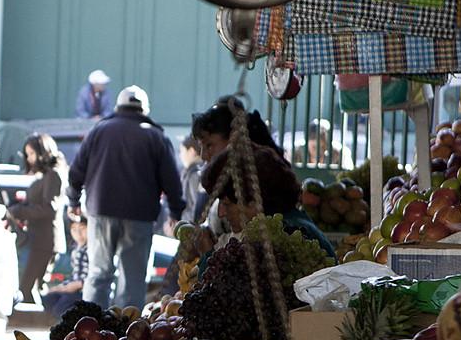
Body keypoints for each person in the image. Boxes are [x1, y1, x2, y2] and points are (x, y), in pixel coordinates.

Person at [67, 86, 185, 309]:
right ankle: (126, 334)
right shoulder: (155, 136)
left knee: (98, 273)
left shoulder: (99, 131)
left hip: (100, 212)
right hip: (138, 216)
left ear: (117, 107)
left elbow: (76, 171)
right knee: (133, 279)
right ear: (144, 109)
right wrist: (175, 212)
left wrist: (73, 201)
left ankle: (90, 327)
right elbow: (171, 180)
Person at [202, 142, 339, 259]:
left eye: (227, 204)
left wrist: (208, 254)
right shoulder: (289, 223)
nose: (221, 213)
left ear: (255, 201)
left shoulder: (286, 236)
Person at [8, 133, 65, 305]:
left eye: (32, 154)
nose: (29, 159)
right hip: (40, 239)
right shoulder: (46, 175)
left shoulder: (52, 175)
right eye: (27, 155)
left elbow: (49, 209)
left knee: (29, 288)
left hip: (45, 240)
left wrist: (19, 210)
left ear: (43, 152)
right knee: (30, 289)